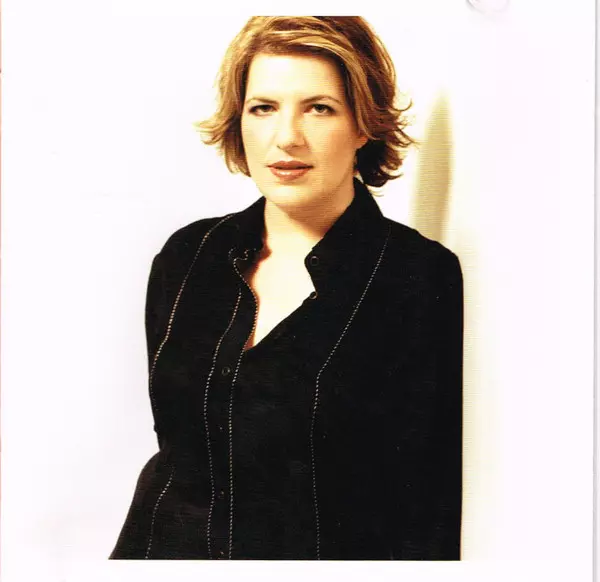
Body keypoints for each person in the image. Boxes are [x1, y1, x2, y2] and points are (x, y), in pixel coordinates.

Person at [109, 16, 463, 561]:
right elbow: (176, 450)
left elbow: (426, 505)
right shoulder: (188, 257)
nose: (287, 137)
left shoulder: (417, 278)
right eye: (263, 108)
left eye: (319, 108)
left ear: (362, 124)